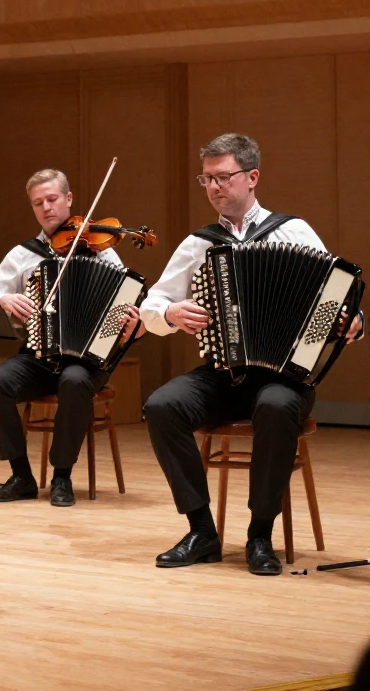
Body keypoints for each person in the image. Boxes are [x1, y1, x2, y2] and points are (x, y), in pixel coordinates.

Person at [142, 133, 362, 576]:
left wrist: (352, 324)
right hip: (225, 373)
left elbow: (337, 302)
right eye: (206, 179)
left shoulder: (293, 231)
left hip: (287, 378)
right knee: (161, 405)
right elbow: (150, 305)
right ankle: (201, 531)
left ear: (252, 177)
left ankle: (260, 534)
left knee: (275, 405)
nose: (214, 187)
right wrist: (170, 311)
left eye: (223, 177)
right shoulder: (197, 244)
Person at [0, 169, 139, 506]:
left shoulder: (100, 249)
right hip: (38, 356)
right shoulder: (24, 254)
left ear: (68, 200)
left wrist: (128, 322)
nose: (46, 208)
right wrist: (5, 300)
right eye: (38, 203)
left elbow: (124, 302)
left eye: (52, 199)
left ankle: (61, 476)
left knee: (74, 381)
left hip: (87, 359)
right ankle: (21, 475)